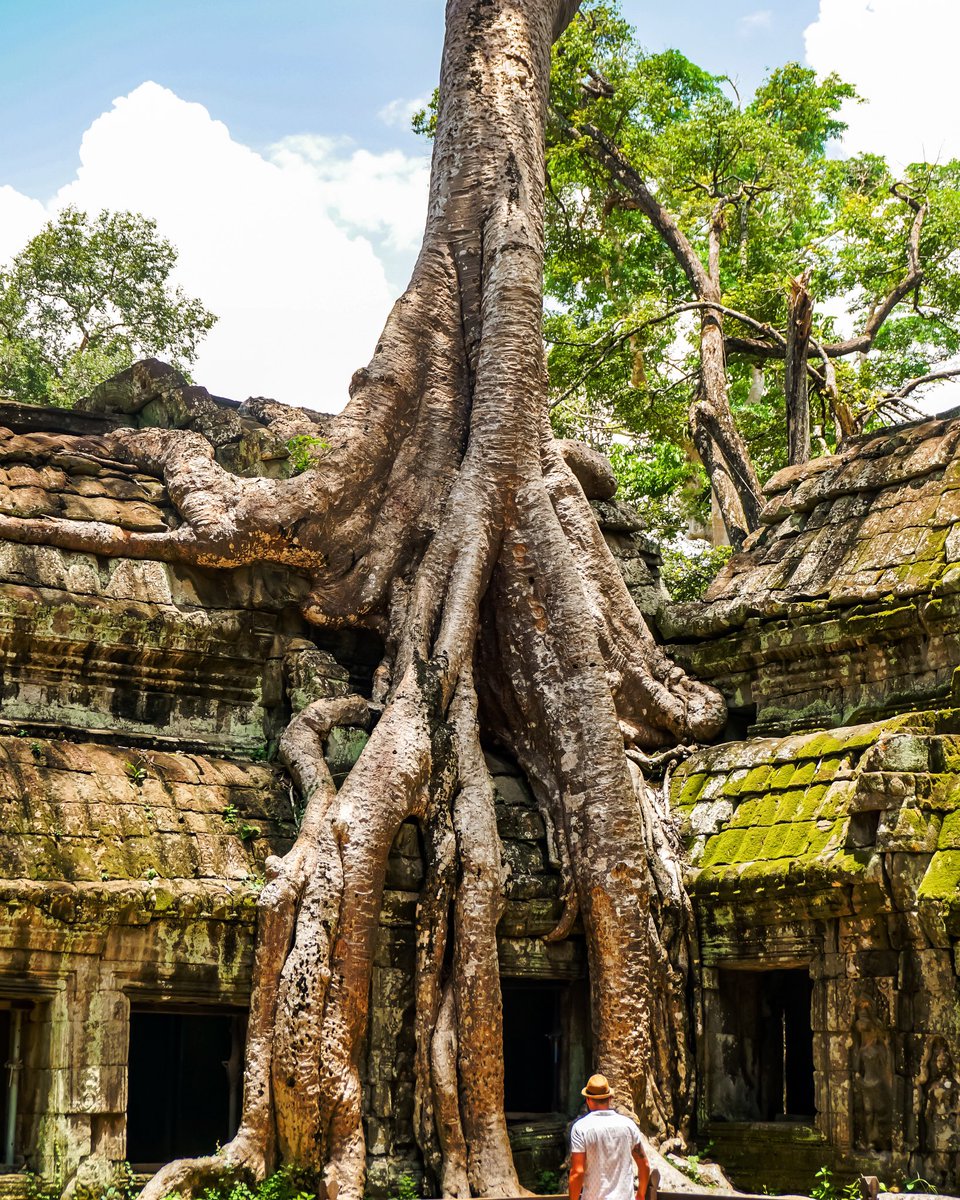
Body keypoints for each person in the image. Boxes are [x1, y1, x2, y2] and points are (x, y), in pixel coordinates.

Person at [568, 1075, 650, 1200]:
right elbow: (644, 1165)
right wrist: (641, 1194)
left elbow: (577, 1172)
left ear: (588, 1100)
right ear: (610, 1098)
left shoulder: (581, 1128)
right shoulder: (628, 1125)